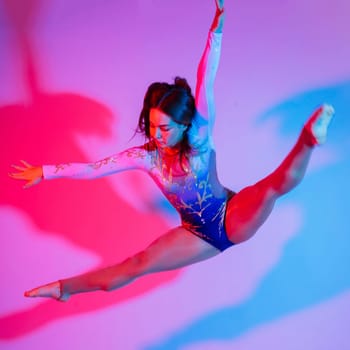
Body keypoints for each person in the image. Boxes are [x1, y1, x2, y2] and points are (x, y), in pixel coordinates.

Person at [10, 0, 334, 302]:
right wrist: (46, 171)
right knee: (134, 265)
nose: (157, 135)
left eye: (165, 128)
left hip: (230, 216)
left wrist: (216, 27)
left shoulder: (200, 137)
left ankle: (308, 138)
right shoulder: (146, 157)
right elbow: (94, 168)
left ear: (183, 124)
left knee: (271, 187)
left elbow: (205, 78)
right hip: (195, 234)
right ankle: (65, 289)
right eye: (152, 126)